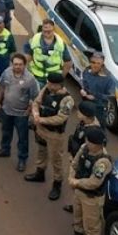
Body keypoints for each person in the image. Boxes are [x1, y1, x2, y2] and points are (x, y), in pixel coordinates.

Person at [61, 127, 113, 235]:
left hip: (91, 198)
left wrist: (76, 182)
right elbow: (75, 163)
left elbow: (94, 182)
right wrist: (71, 177)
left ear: (98, 144)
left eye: (90, 141)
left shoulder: (103, 162)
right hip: (79, 191)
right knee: (77, 215)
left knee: (92, 225)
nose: (86, 142)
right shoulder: (84, 148)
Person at [26, 71, 75, 201]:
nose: (50, 86)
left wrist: (41, 120)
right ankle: (40, 173)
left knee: (56, 159)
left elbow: (61, 118)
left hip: (55, 134)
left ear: (60, 85)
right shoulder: (46, 89)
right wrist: (36, 114)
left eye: (53, 84)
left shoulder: (67, 100)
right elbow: (36, 102)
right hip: (41, 129)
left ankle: (57, 184)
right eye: (49, 83)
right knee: (41, 151)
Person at [0, 53, 40, 173]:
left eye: (20, 64)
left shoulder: (30, 79)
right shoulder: (6, 73)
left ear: (24, 65)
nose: (17, 67)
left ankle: (22, 159)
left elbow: (35, 97)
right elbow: (2, 88)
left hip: (21, 114)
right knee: (5, 131)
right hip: (7, 110)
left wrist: (29, 111)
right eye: (15, 64)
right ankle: (5, 149)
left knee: (23, 138)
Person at [27, 19, 72, 84]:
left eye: (49, 31)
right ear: (42, 29)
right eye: (45, 31)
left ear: (53, 30)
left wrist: (60, 78)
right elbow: (28, 56)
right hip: (36, 76)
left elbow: (68, 63)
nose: (47, 33)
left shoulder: (60, 44)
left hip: (53, 78)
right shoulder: (35, 39)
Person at [78, 52, 114, 129]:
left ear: (102, 63)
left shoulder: (108, 78)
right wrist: (83, 91)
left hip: (99, 108)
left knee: (98, 129)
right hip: (87, 105)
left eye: (98, 63)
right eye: (93, 62)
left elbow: (110, 97)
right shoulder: (86, 72)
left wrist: (95, 96)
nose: (95, 65)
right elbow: (84, 84)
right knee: (84, 126)